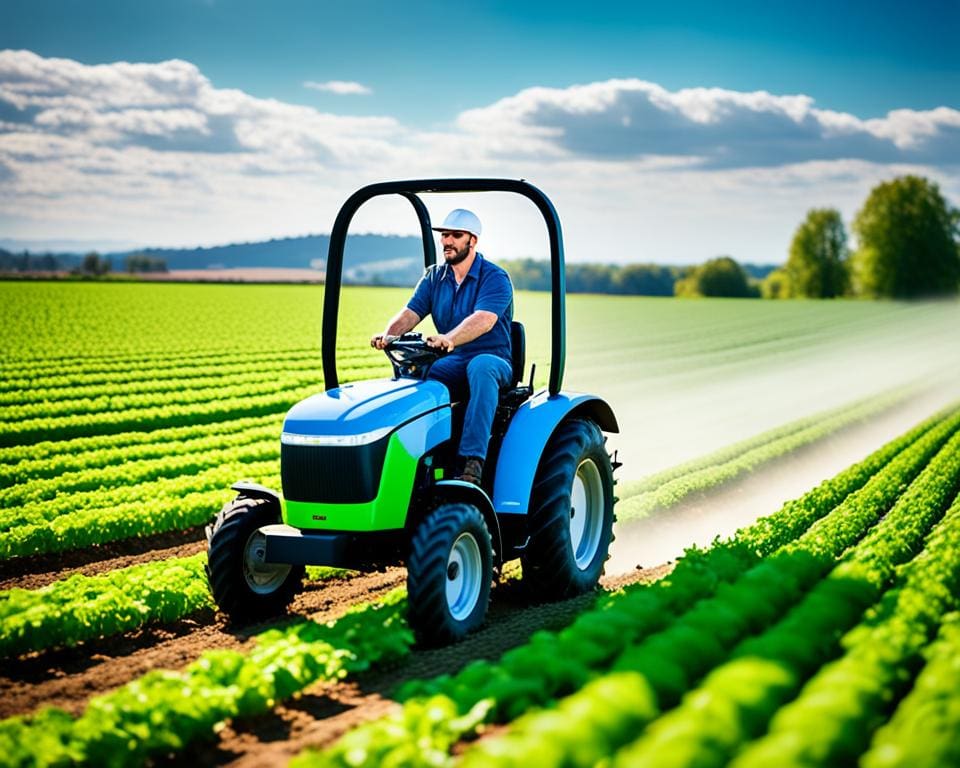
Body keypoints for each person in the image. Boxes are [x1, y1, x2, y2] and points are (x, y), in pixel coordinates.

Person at [370, 209, 514, 486]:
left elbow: (483, 320)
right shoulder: (435, 277)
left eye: (455, 236)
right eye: (444, 235)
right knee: (419, 372)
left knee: (480, 367)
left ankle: (471, 462)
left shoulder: (495, 277)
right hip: (453, 359)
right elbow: (410, 313)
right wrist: (388, 335)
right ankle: (414, 455)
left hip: (492, 359)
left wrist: (449, 339)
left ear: (472, 240)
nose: (447, 241)